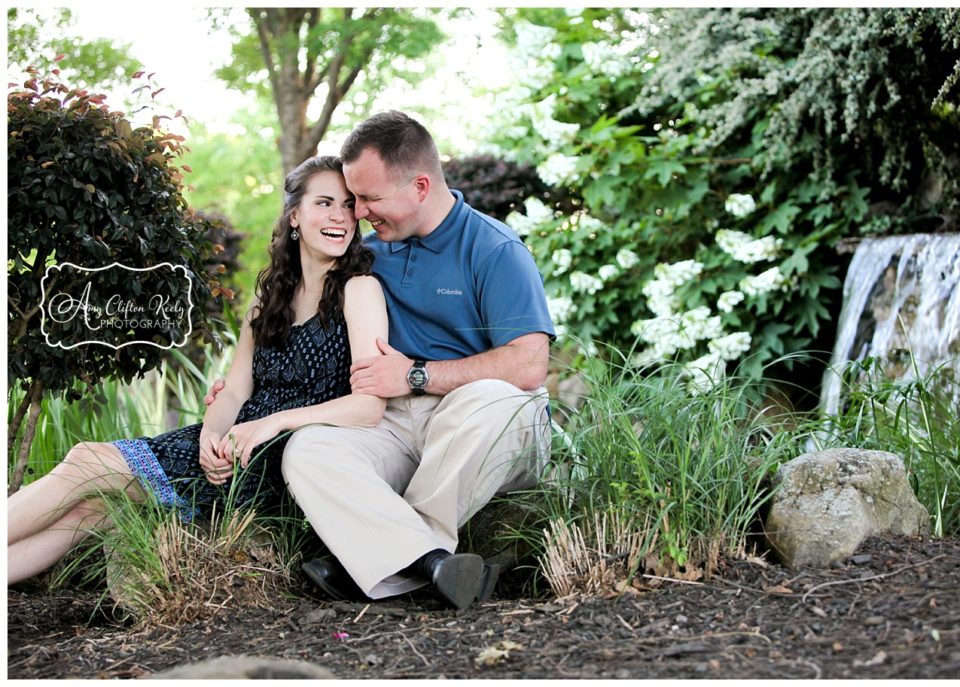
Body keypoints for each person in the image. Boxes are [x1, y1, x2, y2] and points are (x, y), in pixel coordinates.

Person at [208, 111, 555, 610]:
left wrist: (415, 373)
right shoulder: (367, 255)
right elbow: (300, 320)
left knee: (491, 399)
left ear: (418, 186)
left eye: (368, 199)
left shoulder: (494, 249)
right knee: (308, 452)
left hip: (480, 421)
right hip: (396, 422)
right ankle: (431, 566)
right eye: (353, 200)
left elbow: (528, 366)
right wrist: (239, 388)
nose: (358, 213)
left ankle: (392, 554)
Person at [8, 155, 389, 586]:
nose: (340, 216)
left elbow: (368, 407)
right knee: (90, 507)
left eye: (347, 204)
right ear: (295, 216)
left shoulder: (359, 290)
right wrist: (211, 434)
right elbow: (234, 389)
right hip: (230, 450)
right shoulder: (269, 301)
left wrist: (274, 422)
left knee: (86, 461)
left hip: (284, 461)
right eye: (324, 203)